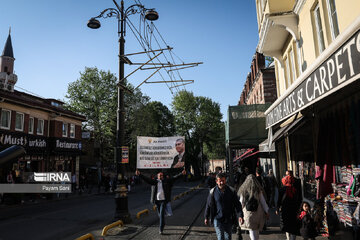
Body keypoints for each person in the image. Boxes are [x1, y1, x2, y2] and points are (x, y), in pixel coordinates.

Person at [135, 169, 186, 235]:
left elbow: (174, 178)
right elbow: (147, 179)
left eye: (161, 175)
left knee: (161, 214)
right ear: (157, 176)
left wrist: (181, 174)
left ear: (163, 176)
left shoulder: (166, 181)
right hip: (157, 201)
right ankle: (163, 223)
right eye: (159, 175)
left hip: (163, 201)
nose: (160, 176)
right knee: (159, 214)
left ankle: (161, 229)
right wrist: (139, 174)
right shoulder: (154, 181)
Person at [204, 172, 244, 240]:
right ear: (216, 181)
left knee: (228, 238)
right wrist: (206, 217)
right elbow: (208, 205)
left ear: (225, 180)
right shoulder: (213, 192)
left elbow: (237, 204)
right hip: (217, 219)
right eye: (220, 181)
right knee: (220, 238)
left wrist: (240, 215)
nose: (222, 183)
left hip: (228, 219)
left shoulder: (231, 191)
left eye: (223, 180)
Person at [237, 174, 269, 240]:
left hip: (247, 213)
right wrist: (267, 211)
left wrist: (240, 214)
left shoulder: (243, 191)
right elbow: (263, 202)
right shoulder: (258, 190)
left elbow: (241, 203)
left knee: (251, 230)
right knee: (256, 230)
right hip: (258, 212)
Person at [276, 171, 303, 240]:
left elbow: (279, 200)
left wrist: (277, 208)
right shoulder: (295, 190)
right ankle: (293, 238)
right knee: (293, 225)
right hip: (294, 210)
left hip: (285, 210)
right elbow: (299, 199)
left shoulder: (282, 189)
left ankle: (288, 238)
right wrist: (300, 209)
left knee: (286, 224)